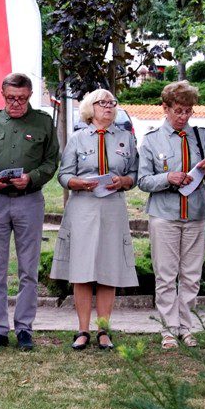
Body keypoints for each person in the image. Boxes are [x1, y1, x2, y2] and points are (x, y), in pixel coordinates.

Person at [0, 72, 59, 351]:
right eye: (10, 98)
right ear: (3, 95)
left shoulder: (43, 122)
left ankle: (24, 329)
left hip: (29, 201)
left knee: (28, 270)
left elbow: (51, 161)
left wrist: (31, 178)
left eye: (21, 98)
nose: (16, 103)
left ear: (30, 95)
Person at [138, 81, 205, 349]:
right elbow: (143, 180)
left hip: (196, 214)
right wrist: (168, 178)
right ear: (165, 108)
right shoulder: (152, 139)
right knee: (165, 275)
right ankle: (168, 329)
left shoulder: (201, 135)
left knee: (191, 275)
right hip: (164, 215)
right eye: (178, 110)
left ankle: (186, 327)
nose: (183, 116)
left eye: (188, 111)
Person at [52, 89, 140, 351]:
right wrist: (78, 183)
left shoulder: (126, 138)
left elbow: (136, 174)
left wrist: (123, 181)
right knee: (82, 270)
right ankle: (82, 330)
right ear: (90, 108)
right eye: (102, 103)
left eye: (112, 102)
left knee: (108, 269)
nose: (109, 107)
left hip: (113, 207)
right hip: (83, 207)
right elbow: (64, 175)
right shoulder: (77, 139)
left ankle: (103, 330)